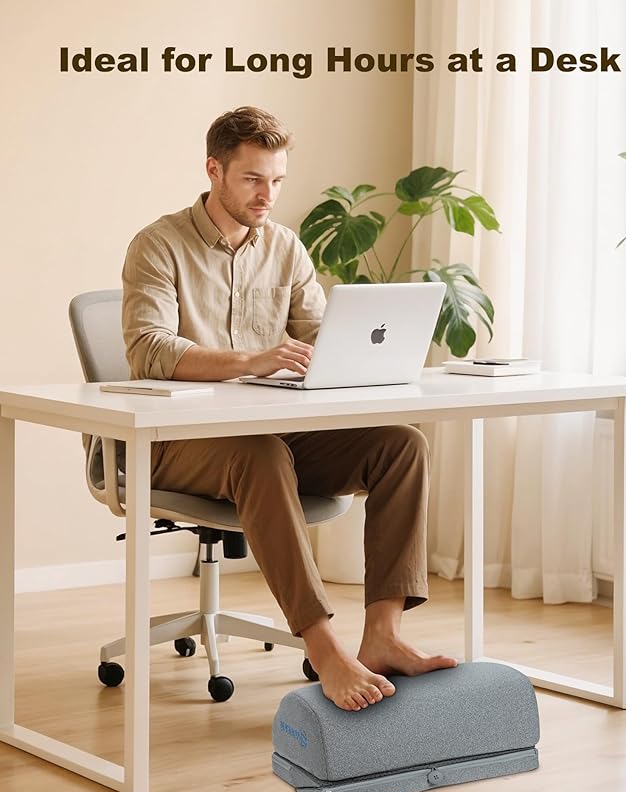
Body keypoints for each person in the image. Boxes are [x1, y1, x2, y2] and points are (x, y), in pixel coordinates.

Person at [122, 105, 457, 712]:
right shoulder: (158, 244)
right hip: (173, 443)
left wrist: (358, 359)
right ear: (214, 170)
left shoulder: (284, 246)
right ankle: (325, 647)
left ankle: (383, 636)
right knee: (261, 453)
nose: (267, 195)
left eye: (277, 180)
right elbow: (149, 350)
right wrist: (251, 358)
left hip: (270, 432)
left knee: (401, 444)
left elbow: (324, 336)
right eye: (253, 179)